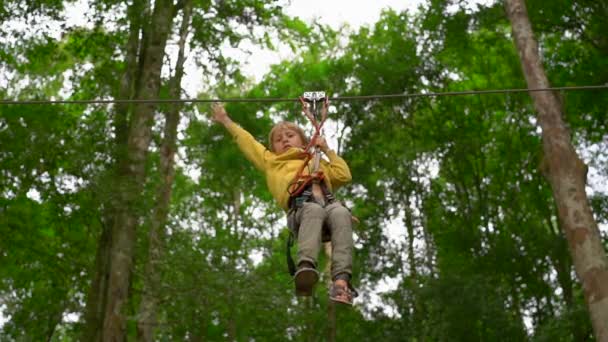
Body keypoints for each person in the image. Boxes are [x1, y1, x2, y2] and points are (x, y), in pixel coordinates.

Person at [210, 102, 356, 305]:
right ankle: (306, 267)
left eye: (290, 136)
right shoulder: (272, 161)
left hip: (328, 208)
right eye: (278, 140)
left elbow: (344, 175)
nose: (284, 141)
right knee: (313, 209)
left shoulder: (316, 160)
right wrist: (225, 120)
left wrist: (327, 150)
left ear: (303, 141)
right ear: (273, 148)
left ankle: (341, 282)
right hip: (302, 210)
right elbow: (247, 141)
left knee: (341, 213)